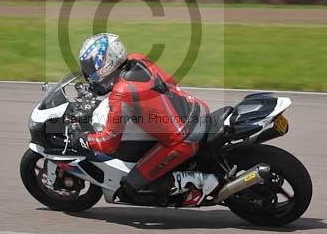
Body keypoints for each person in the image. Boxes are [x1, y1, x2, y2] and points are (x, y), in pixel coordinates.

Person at [68, 33, 217, 205]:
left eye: (90, 66)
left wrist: (83, 140)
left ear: (106, 62)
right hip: (195, 109)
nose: (88, 72)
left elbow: (108, 143)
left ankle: (195, 185)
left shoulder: (122, 92)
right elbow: (170, 82)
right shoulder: (137, 60)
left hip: (184, 140)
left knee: (130, 187)